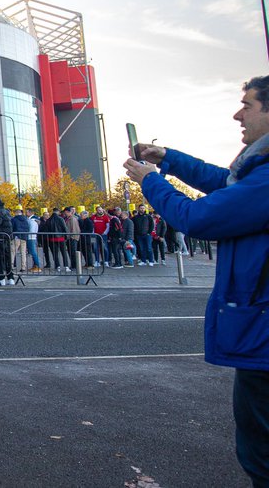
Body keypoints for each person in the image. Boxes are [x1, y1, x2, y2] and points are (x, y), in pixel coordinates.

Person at [124, 75, 269, 485]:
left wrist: (151, 181)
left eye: (249, 105)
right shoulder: (258, 173)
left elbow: (200, 217)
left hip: (264, 332)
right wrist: (167, 158)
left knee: (261, 452)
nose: (238, 114)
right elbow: (226, 183)